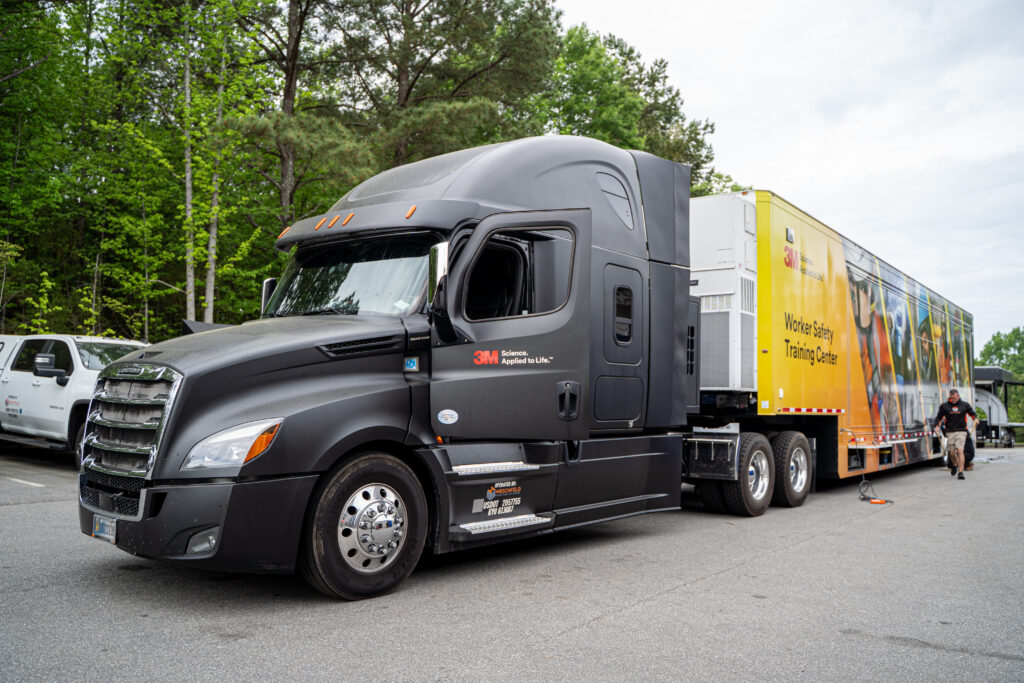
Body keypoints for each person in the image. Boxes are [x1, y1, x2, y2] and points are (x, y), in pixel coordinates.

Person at [933, 389, 979, 480]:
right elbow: (938, 418)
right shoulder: (944, 406)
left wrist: (975, 419)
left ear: (958, 396)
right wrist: (936, 426)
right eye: (952, 398)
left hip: (961, 431)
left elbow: (972, 413)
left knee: (960, 451)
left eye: (955, 398)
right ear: (950, 397)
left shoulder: (964, 405)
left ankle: (960, 472)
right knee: (951, 453)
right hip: (950, 432)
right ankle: (955, 464)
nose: (953, 400)